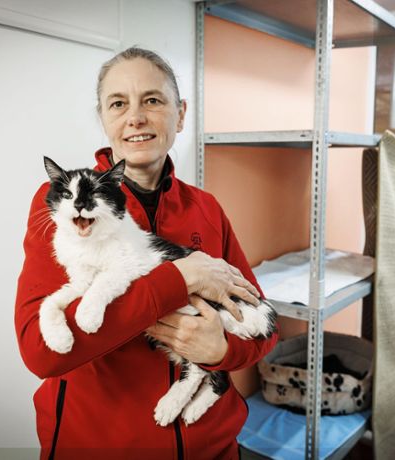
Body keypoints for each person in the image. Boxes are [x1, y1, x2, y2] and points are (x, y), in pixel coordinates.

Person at [15, 47, 279, 460]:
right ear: (103, 118)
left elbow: (263, 324)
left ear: (181, 113)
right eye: (118, 104)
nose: (135, 117)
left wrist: (222, 353)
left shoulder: (207, 208)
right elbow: (41, 352)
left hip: (210, 445)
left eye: (152, 100)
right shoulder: (62, 211)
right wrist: (180, 280)